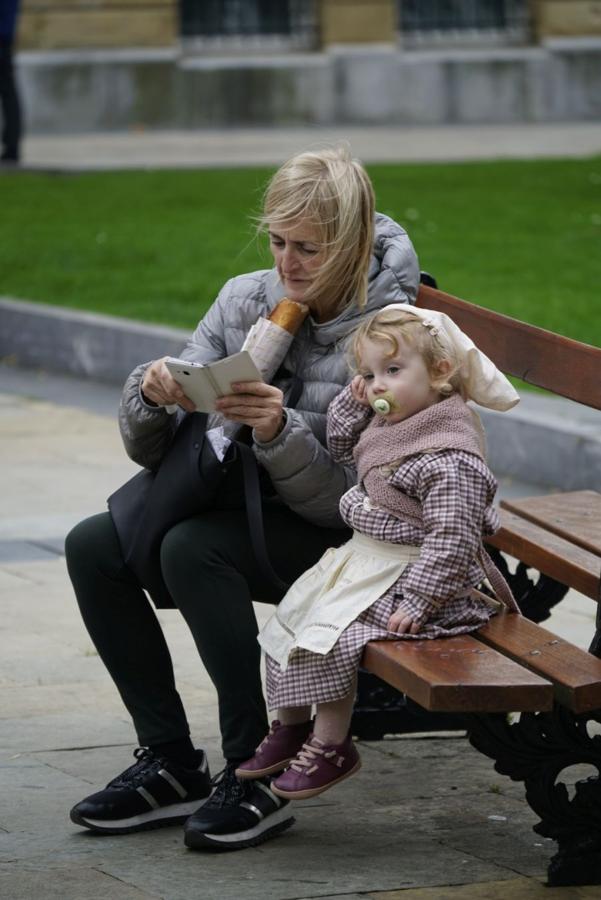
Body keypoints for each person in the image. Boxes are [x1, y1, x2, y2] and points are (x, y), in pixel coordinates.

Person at [65, 147, 420, 849]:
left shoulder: (393, 336)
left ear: (349, 244)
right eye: (278, 243)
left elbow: (354, 503)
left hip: (354, 540)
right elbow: (157, 454)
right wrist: (152, 391)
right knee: (91, 545)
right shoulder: (244, 298)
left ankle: (255, 767)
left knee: (192, 549)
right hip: (242, 505)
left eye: (308, 249)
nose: (286, 264)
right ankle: (169, 761)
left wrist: (277, 430)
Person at [235, 304, 521, 800]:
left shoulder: (449, 454)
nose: (378, 385)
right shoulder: (396, 423)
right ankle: (291, 723)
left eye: (392, 371)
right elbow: (345, 446)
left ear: (440, 372)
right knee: (295, 617)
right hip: (369, 561)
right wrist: (357, 395)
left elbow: (452, 539)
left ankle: (331, 744)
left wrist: (420, 600)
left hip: (418, 579)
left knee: (334, 637)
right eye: (368, 374)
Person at [0, 0, 22, 164]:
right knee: (9, 93)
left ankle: (12, 147)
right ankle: (12, 146)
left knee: (8, 93)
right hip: (5, 39)